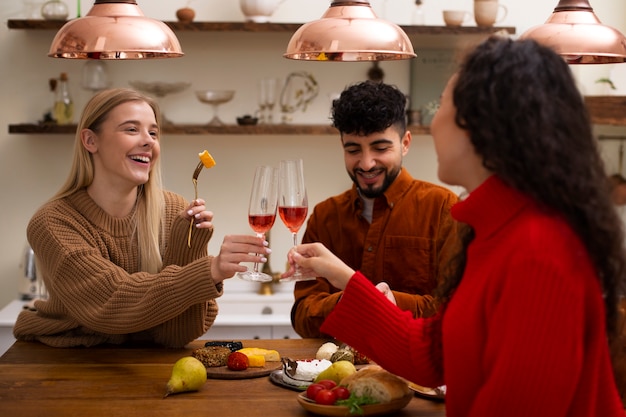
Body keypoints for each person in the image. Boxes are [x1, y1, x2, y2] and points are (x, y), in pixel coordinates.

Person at [284, 36, 626, 416]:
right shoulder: (493, 232)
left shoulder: (538, 252)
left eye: (443, 104)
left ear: (481, 128)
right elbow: (429, 353)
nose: (434, 118)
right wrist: (349, 280)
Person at [13, 88, 270, 349]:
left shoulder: (174, 211)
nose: (148, 141)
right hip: (62, 360)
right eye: (131, 129)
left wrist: (187, 246)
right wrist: (208, 271)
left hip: (142, 365)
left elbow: (176, 337)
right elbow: (110, 303)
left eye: (153, 133)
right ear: (91, 141)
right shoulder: (54, 222)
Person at [291, 80, 459, 338]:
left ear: (405, 143)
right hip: (337, 373)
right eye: (353, 149)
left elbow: (454, 312)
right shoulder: (325, 216)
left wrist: (376, 298)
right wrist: (351, 300)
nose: (366, 163)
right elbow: (303, 317)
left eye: (381, 148)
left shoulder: (444, 208)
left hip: (416, 373)